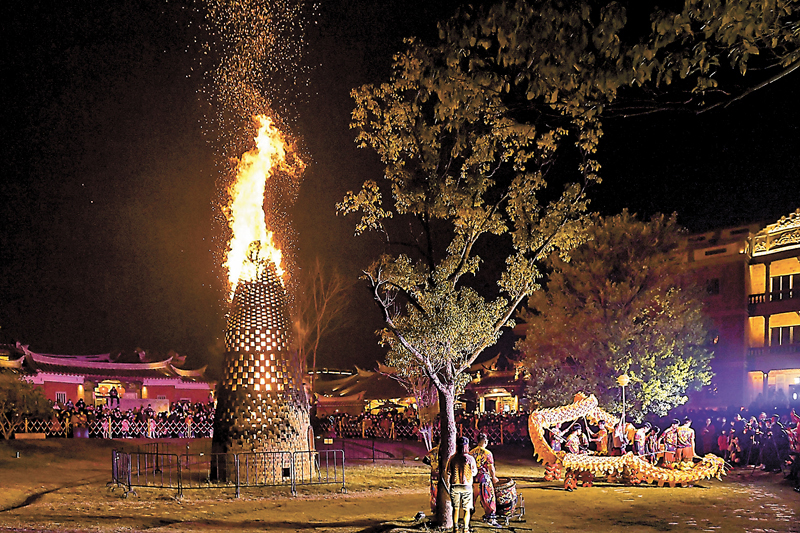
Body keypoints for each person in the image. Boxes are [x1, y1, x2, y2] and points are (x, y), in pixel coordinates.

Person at [444, 437, 478, 533]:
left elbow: (448, 471)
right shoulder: (470, 458)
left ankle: (455, 528)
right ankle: (466, 529)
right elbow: (474, 472)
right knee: (467, 509)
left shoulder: (452, 458)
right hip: (466, 486)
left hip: (454, 485)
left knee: (455, 508)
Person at [470, 433, 500, 526]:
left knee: (472, 499)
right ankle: (490, 517)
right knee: (489, 498)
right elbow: (491, 467)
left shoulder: (471, 452)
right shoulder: (487, 453)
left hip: (473, 478)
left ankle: (468, 517)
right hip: (484, 478)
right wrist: (494, 477)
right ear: (485, 441)